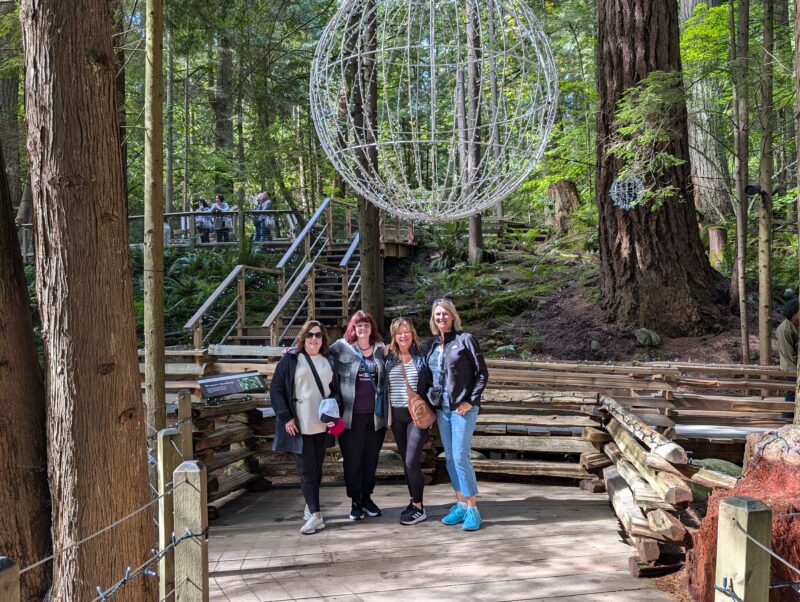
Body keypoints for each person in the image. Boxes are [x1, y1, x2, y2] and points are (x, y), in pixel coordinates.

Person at [420, 298, 488, 531]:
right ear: (433, 318)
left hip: (462, 408)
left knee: (460, 457)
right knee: (449, 457)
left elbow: (482, 373)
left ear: (453, 316)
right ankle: (460, 504)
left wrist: (470, 401)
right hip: (443, 410)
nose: (441, 317)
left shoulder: (465, 339)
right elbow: (426, 375)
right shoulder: (430, 345)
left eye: (445, 313)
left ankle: (473, 509)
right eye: (437, 314)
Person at [270, 320, 339, 535]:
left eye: (318, 335)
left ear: (323, 338)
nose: (314, 339)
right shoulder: (291, 360)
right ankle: (317, 516)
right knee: (307, 471)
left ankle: (311, 506)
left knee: (317, 469)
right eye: (310, 335)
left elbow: (335, 391)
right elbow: (276, 389)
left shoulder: (330, 360)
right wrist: (286, 417)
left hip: (322, 424)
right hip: (300, 424)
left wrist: (333, 414)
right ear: (303, 337)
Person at [330, 310, 388, 521]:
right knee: (353, 460)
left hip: (375, 418)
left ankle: (367, 498)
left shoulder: (381, 348)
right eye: (358, 325)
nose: (363, 328)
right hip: (350, 417)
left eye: (366, 324)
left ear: (372, 328)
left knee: (371, 459)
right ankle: (355, 500)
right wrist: (294, 351)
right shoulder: (340, 347)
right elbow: (316, 352)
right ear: (353, 328)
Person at [385, 317, 431, 525]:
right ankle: (414, 502)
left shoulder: (422, 354)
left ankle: (419, 507)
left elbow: (433, 380)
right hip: (397, 416)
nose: (403, 336)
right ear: (394, 336)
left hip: (416, 416)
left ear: (412, 333)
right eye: (399, 333)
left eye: (406, 332)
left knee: (412, 460)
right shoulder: (389, 356)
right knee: (406, 461)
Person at [776, 297, 799, 403]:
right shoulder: (784, 330)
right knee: (792, 391)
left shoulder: (796, 324)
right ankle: (787, 413)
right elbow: (789, 354)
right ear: (794, 313)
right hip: (791, 366)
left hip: (795, 364)